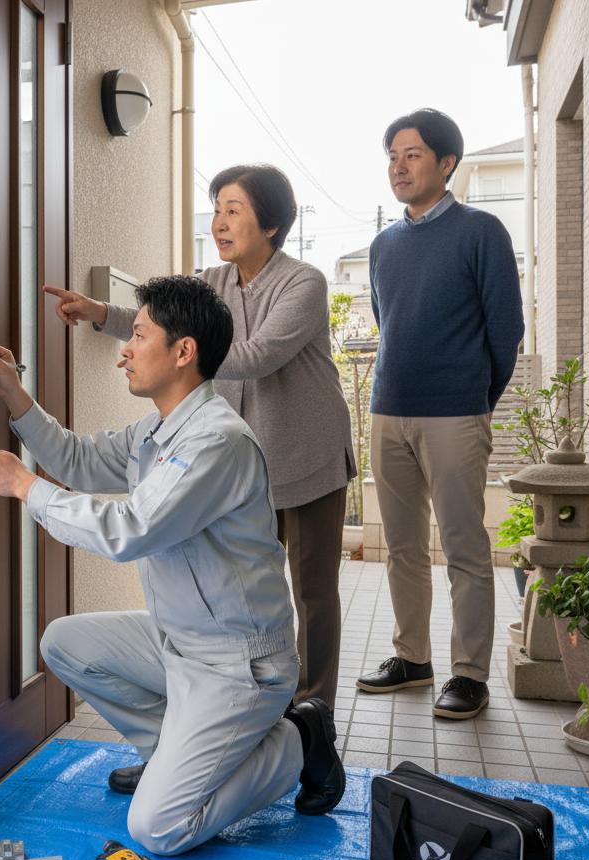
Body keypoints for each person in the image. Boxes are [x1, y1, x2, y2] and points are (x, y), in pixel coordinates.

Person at [0, 275, 345, 856]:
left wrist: (24, 488)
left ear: (183, 352)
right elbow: (77, 457)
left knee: (158, 830)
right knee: (63, 642)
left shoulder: (215, 442)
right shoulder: (157, 430)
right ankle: (168, 752)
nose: (124, 347)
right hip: (181, 644)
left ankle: (300, 738)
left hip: (238, 663)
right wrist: (13, 396)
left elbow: (129, 531)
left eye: (138, 334)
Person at [43, 164, 355, 713]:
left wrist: (178, 355)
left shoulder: (303, 282)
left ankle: (314, 714)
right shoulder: (212, 283)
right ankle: (255, 703)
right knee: (245, 585)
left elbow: (257, 356)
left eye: (234, 210)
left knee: (312, 592)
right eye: (216, 209)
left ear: (272, 223)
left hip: (305, 458)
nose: (219, 222)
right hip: (239, 467)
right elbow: (166, 323)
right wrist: (103, 315)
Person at [356, 108, 524, 719]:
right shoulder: (382, 244)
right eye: (392, 156)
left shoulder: (482, 232)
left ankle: (470, 675)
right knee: (400, 547)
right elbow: (388, 322)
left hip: (456, 414)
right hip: (388, 410)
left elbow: (506, 333)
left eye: (413, 155)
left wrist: (475, 401)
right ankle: (413, 658)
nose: (399, 167)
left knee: (464, 548)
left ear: (447, 163)